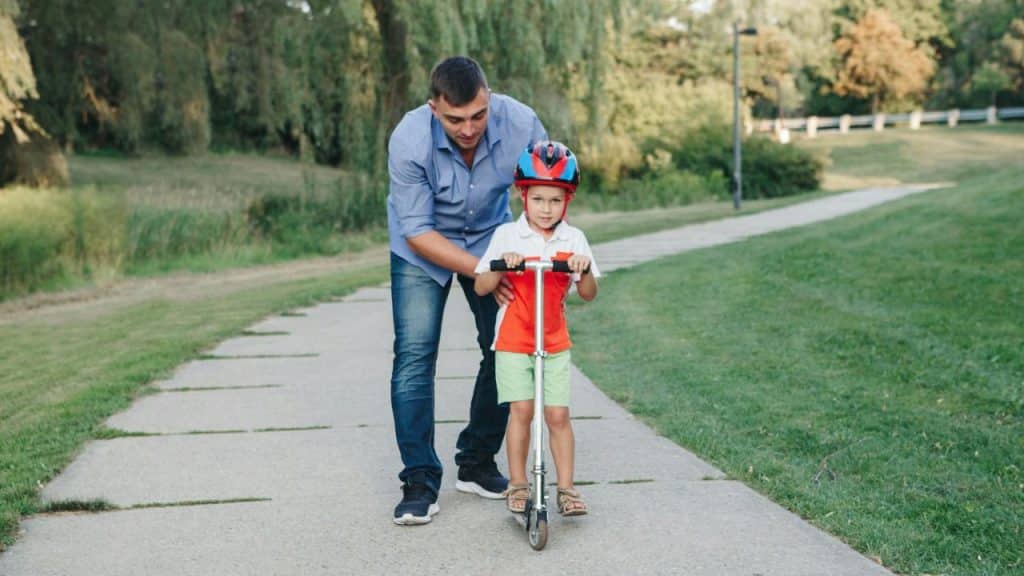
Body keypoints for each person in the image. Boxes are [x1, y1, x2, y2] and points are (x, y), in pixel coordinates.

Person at [386, 56, 548, 525]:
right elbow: (416, 231)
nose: (469, 128)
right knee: (415, 356)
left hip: (492, 238)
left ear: (489, 97)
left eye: (478, 115)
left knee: (507, 348)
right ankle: (419, 480)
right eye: (455, 119)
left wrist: (532, 253)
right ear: (433, 107)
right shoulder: (409, 139)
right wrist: (486, 268)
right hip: (423, 248)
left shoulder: (520, 123)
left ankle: (476, 463)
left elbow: (542, 193)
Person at [474, 140, 600, 517]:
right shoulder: (507, 236)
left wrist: (584, 267)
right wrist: (501, 266)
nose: (547, 209)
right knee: (522, 410)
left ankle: (566, 488)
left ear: (568, 201)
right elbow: (481, 285)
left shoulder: (573, 239)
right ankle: (518, 483)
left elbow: (589, 294)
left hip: (554, 341)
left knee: (558, 415)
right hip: (514, 340)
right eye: (539, 199)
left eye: (556, 201)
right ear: (522, 195)